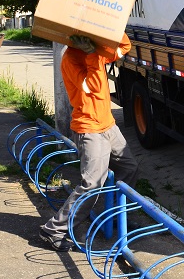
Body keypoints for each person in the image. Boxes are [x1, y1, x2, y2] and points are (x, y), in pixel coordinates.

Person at [39, 33, 140, 252]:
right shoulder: (71, 58)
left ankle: (113, 217)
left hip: (108, 125)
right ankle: (54, 229)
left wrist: (111, 28)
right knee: (92, 183)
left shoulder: (95, 48)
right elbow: (91, 87)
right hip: (90, 128)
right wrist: (92, 53)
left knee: (129, 168)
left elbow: (124, 47)